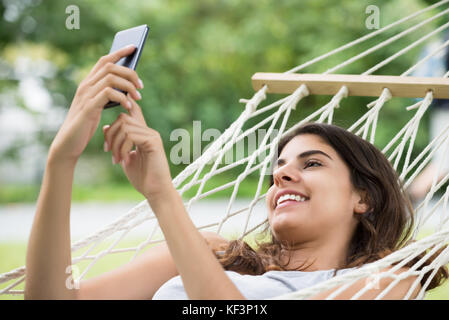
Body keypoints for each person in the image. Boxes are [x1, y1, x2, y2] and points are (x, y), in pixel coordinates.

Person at [24, 46, 448, 300]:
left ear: (364, 198)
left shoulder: (387, 282)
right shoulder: (210, 254)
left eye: (312, 164)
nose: (281, 176)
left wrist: (161, 193)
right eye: (277, 168)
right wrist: (62, 158)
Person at [408, 33, 449, 203]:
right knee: (443, 163)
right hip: (446, 108)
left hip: (442, 107)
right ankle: (406, 197)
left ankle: (406, 197)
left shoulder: (443, 39)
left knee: (443, 161)